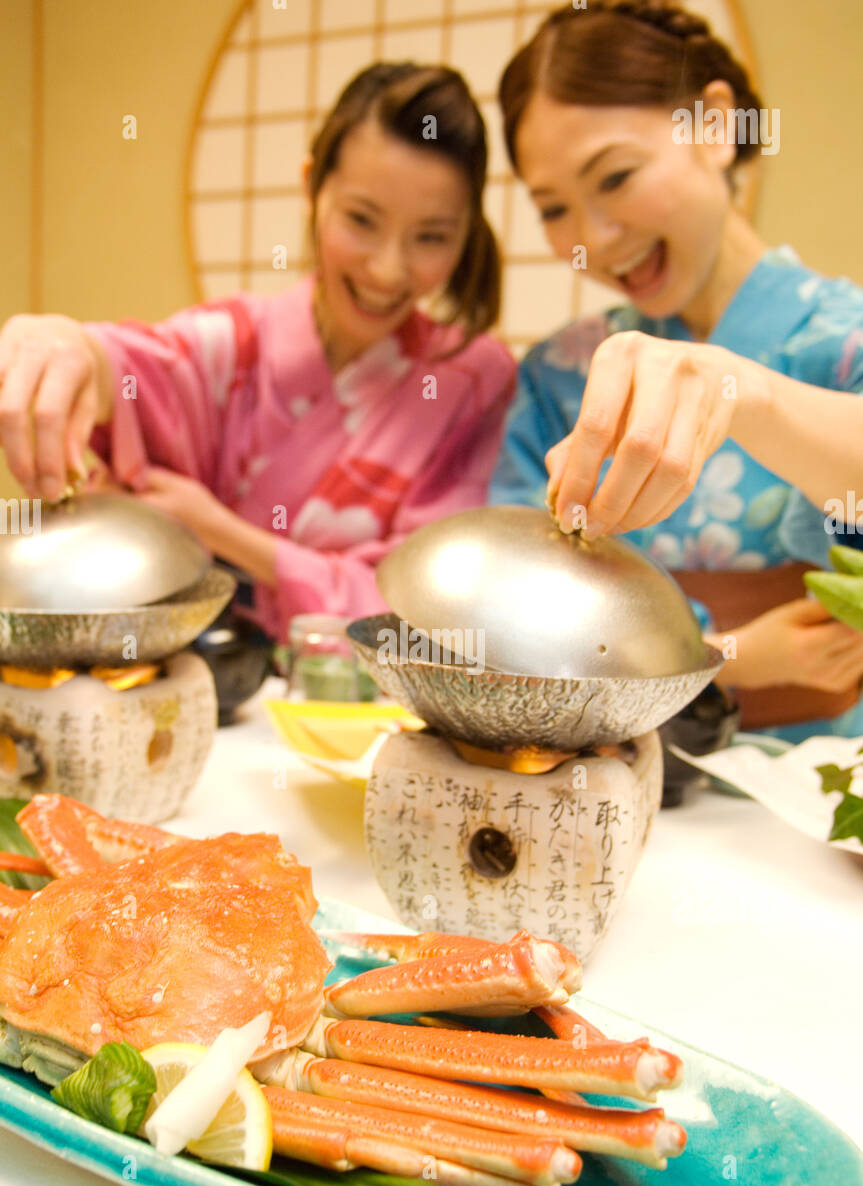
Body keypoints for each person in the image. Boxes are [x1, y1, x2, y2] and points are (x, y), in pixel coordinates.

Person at [0, 64, 514, 640]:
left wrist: (220, 532)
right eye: (361, 220)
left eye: (432, 237)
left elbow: (430, 611)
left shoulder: (473, 381)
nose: (387, 269)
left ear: (468, 232)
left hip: (358, 715)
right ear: (311, 187)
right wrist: (65, 346)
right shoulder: (232, 341)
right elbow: (131, 366)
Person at [492, 1, 863, 739]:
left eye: (616, 176)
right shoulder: (559, 373)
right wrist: (725, 657)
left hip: (813, 798)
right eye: (553, 207)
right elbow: (512, 603)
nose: (594, 237)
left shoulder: (844, 341)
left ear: (715, 128)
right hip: (598, 777)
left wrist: (750, 394)